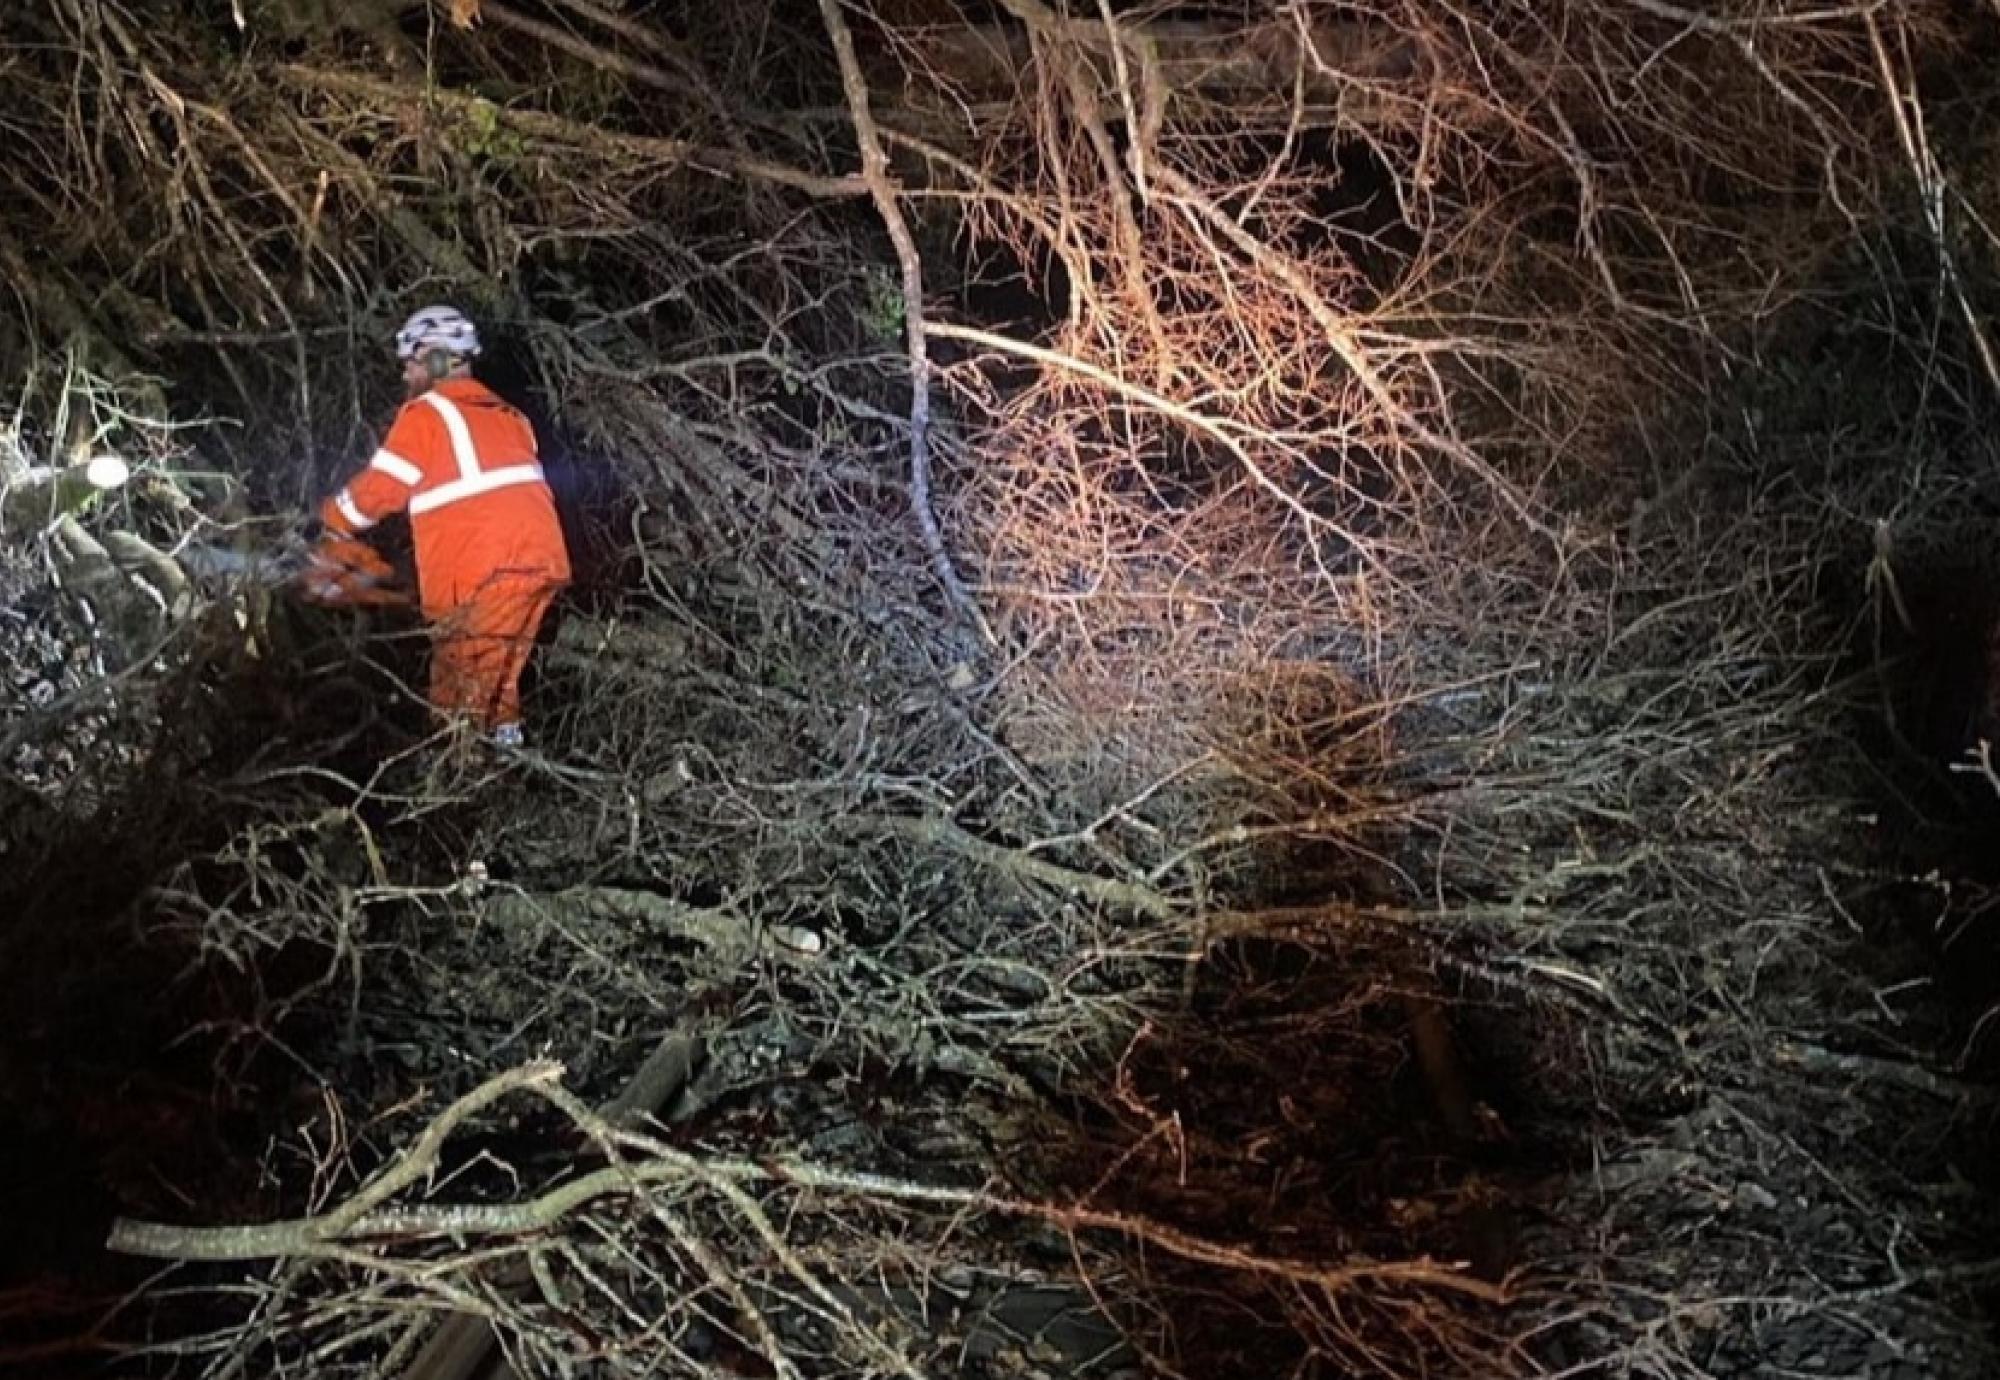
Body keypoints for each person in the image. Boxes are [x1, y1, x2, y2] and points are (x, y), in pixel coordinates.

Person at [304, 306, 570, 747]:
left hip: (486, 575)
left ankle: (458, 796)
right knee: (499, 691)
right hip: (539, 563)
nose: (406, 377)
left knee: (456, 699)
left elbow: (379, 491)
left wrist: (329, 521)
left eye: (410, 363)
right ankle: (509, 772)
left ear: (434, 359)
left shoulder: (429, 413)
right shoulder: (508, 414)